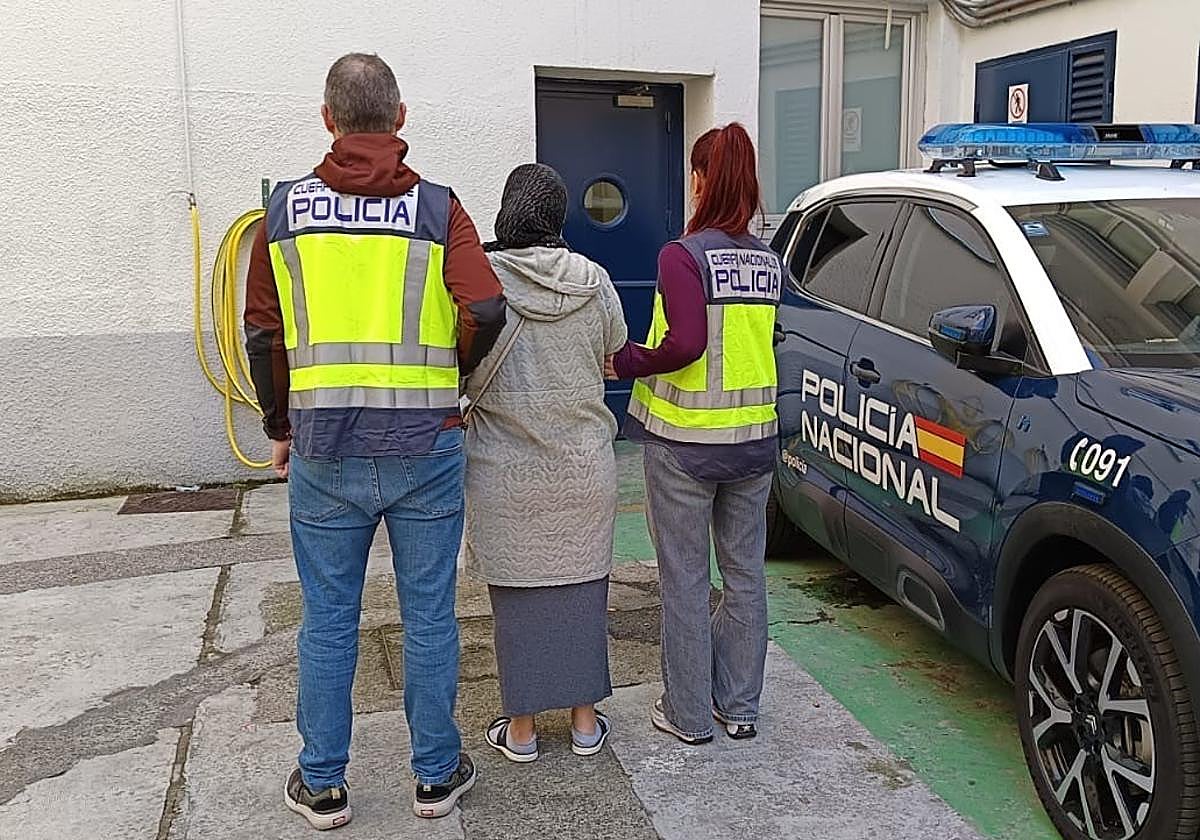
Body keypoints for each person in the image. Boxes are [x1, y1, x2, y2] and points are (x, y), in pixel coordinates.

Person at [244, 53, 506, 828]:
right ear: (400, 118)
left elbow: (264, 331)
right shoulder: (438, 208)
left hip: (323, 451)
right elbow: (487, 310)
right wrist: (448, 378)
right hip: (426, 446)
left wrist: (279, 425)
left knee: (328, 619)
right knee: (429, 616)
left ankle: (322, 782)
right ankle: (433, 776)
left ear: (327, 120)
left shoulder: (283, 213)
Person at [609, 123, 783, 745]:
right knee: (745, 574)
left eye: (695, 173)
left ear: (704, 180)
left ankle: (687, 715)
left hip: (684, 444)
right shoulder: (768, 261)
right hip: (754, 444)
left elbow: (685, 344)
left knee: (683, 577)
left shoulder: (682, 256)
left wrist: (627, 360)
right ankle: (739, 708)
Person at [462, 163, 627, 762]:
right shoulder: (596, 280)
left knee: (517, 602)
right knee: (584, 593)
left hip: (505, 472)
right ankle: (585, 723)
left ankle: (523, 730)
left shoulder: (483, 280)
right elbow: (613, 348)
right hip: (583, 467)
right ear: (559, 217)